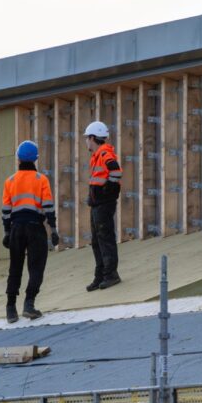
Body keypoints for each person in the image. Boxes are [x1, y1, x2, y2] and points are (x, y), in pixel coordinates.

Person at [0, 140, 60, 323]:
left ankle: (11, 309)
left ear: (18, 158)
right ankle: (29, 304)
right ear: (36, 159)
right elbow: (48, 206)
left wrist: (7, 232)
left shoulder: (10, 181)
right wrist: (53, 229)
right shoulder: (41, 180)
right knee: (36, 268)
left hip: (17, 229)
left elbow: (5, 210)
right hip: (35, 227)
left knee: (15, 268)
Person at [84, 121, 122, 291]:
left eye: (87, 138)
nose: (86, 141)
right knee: (96, 241)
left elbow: (116, 171)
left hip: (103, 204)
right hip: (97, 204)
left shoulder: (105, 153)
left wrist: (108, 190)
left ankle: (111, 275)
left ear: (93, 138)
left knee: (105, 239)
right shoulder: (97, 155)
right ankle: (100, 276)